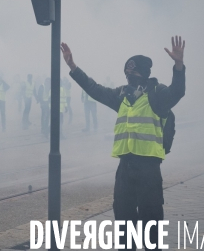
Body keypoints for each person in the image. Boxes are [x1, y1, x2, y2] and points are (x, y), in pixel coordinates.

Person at [61, 36, 186, 251]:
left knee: (151, 225)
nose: (129, 78)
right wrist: (73, 67)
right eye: (127, 74)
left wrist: (178, 65)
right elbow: (95, 89)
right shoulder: (122, 96)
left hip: (149, 168)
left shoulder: (158, 95)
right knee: (123, 223)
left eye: (134, 74)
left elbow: (178, 91)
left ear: (145, 75)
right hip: (125, 168)